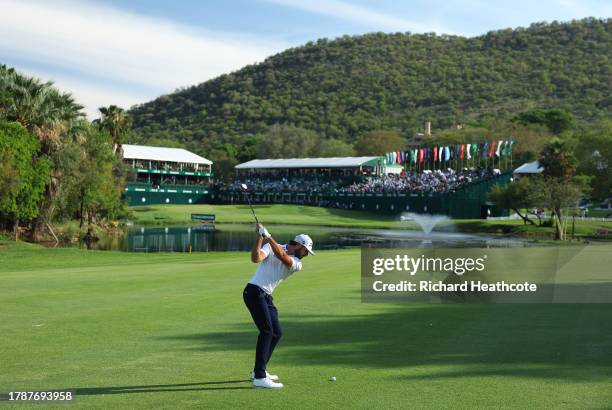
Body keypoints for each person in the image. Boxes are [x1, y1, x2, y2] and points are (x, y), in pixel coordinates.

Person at [243, 223, 315, 388]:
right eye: (306, 251)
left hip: (265, 296)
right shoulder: (271, 246)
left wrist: (268, 236)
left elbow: (282, 255)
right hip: (254, 292)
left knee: (276, 333)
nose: (306, 255)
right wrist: (259, 238)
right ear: (299, 246)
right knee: (267, 331)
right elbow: (255, 258)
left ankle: (258, 371)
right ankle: (260, 377)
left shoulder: (297, 263)